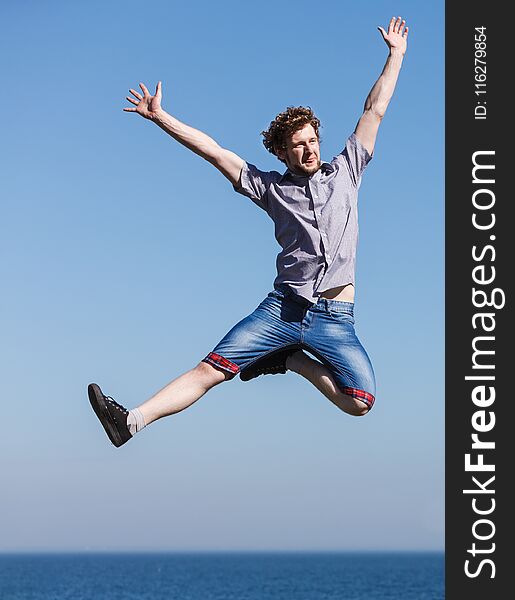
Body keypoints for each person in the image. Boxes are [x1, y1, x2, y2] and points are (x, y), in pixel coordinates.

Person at [89, 17, 409, 447]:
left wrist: (396, 55)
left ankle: (291, 360)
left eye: (313, 140)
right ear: (282, 151)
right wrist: (161, 117)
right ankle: (129, 422)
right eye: (298, 144)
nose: (310, 148)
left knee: (360, 400)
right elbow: (215, 152)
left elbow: (374, 109)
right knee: (211, 370)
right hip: (281, 309)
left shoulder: (347, 171)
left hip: (336, 320)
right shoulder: (270, 188)